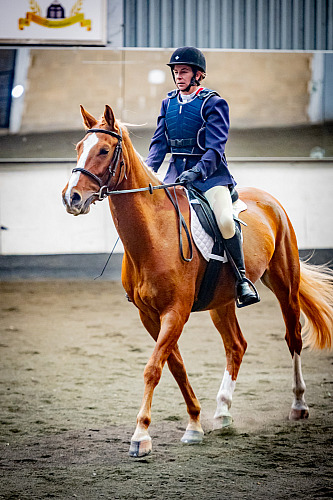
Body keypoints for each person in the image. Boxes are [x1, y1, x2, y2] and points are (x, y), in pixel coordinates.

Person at [145, 46, 259, 307]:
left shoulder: (213, 103)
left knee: (225, 221)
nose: (178, 76)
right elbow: (158, 144)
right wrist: (149, 173)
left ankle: (242, 280)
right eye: (175, 72)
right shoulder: (168, 103)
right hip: (175, 175)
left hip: (210, 177)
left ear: (199, 74)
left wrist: (197, 171)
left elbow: (216, 147)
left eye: (184, 71)